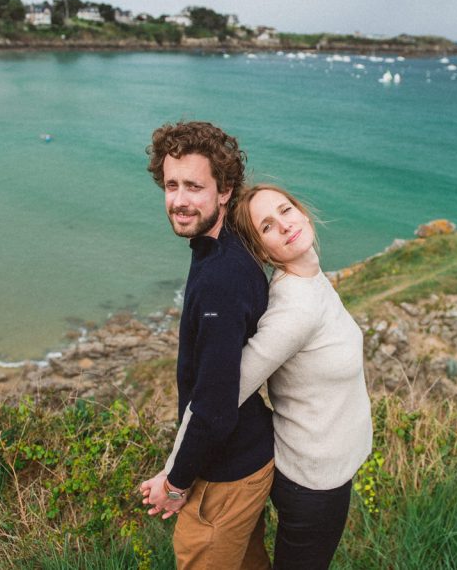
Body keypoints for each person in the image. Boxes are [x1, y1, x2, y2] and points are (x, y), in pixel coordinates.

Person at [157, 184, 373, 570]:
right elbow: (221, 391)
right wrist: (174, 474)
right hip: (312, 482)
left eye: (286, 211)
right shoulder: (293, 313)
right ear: (263, 252)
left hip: (326, 470)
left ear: (303, 212)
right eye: (267, 228)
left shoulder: (310, 278)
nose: (285, 226)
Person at [138, 122, 275, 570]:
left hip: (226, 474)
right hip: (249, 457)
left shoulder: (221, 277)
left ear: (224, 192)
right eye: (171, 184)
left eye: (194, 187)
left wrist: (175, 483)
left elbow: (214, 407)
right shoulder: (225, 247)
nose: (179, 200)